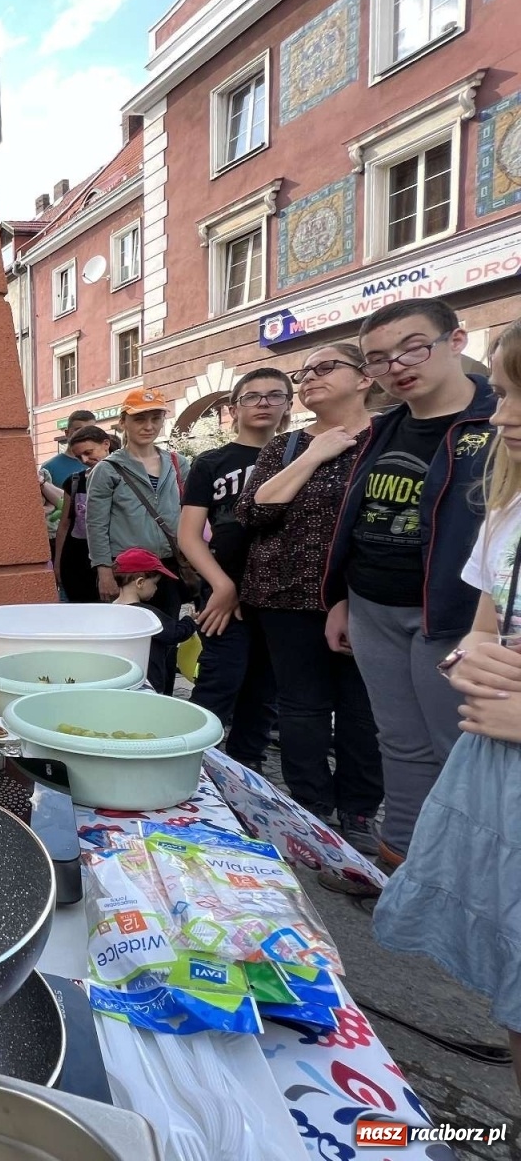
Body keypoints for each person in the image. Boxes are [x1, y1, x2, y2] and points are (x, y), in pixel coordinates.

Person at [373, 317, 521, 1094]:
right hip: (498, 782)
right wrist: (471, 654)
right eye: (503, 393)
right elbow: (487, 623)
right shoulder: (508, 506)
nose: (502, 416)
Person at [323, 299, 496, 869]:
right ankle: (399, 861)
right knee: (398, 740)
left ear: (456, 340)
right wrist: (342, 598)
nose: (396, 365)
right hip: (373, 605)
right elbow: (358, 518)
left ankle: (464, 874)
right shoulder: (381, 430)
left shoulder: (498, 422)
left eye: (412, 346)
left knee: (460, 747)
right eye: (377, 359)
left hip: (456, 614)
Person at [239, 345, 382, 856]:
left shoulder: (387, 435)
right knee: (302, 706)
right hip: (286, 592)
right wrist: (315, 454)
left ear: (365, 377)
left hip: (368, 596)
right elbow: (253, 511)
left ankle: (360, 810)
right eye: (305, 373)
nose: (310, 379)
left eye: (325, 368)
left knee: (362, 707)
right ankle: (311, 808)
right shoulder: (288, 443)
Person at [177, 368, 289, 773]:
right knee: (221, 676)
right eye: (252, 396)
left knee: (265, 685)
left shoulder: (298, 454)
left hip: (280, 591)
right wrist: (220, 584)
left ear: (288, 406)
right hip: (222, 588)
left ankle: (247, 766)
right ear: (234, 408)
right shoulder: (212, 462)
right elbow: (189, 534)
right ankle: (190, 757)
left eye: (274, 396)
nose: (263, 403)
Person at [85, 388, 188, 691]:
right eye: (140, 418)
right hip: (129, 568)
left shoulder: (178, 463)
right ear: (123, 423)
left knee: (167, 638)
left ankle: (164, 696)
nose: (149, 426)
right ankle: (126, 694)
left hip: (168, 566)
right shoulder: (108, 469)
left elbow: (190, 513)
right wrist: (104, 569)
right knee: (128, 638)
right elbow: (96, 523)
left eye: (155, 418)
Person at [112, 548, 199, 693]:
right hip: (149, 680)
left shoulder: (111, 609)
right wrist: (189, 620)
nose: (157, 588)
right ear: (140, 582)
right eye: (155, 583)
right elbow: (174, 634)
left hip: (122, 678)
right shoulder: (147, 614)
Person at [52, 425, 112, 603]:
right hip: (77, 561)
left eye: (89, 452)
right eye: (79, 456)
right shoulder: (75, 481)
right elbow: (64, 525)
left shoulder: (123, 478)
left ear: (106, 444)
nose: (85, 459)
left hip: (111, 560)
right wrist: (58, 564)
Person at [40, 410, 97, 570]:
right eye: (78, 430)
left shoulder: (102, 465)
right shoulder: (49, 467)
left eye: (90, 430)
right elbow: (48, 507)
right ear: (67, 433)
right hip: (65, 543)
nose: (85, 435)